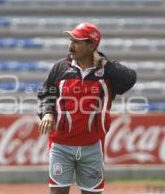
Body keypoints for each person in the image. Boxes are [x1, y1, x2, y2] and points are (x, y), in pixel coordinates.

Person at [37, 22, 136, 194]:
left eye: (77, 41)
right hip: (60, 145)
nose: (71, 45)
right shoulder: (60, 67)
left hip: (93, 146)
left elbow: (130, 79)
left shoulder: (107, 72)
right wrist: (47, 113)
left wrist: (105, 63)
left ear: (92, 45)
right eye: (71, 40)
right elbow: (47, 93)